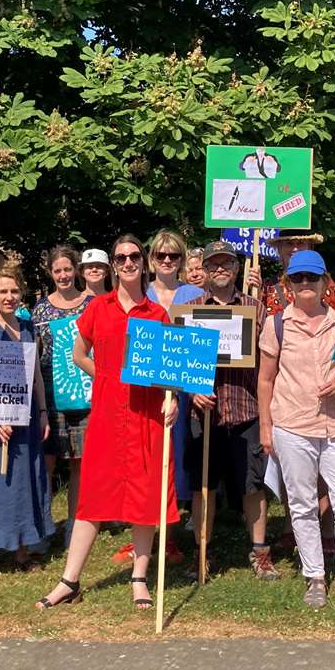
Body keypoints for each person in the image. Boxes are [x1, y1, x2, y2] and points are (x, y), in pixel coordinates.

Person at [36, 235, 180, 611]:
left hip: (146, 415)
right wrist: (104, 376)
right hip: (106, 415)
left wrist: (174, 399)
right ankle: (69, 580)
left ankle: (139, 578)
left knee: (145, 497)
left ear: (143, 263)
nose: (128, 262)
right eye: (121, 257)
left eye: (134, 256)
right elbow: (77, 352)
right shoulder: (98, 307)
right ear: (114, 265)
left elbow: (170, 371)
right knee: (93, 498)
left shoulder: (156, 314)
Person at [257, 250, 335, 609]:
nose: (306, 284)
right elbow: (265, 379)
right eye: (298, 278)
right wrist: (265, 426)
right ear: (289, 284)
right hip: (291, 425)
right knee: (302, 505)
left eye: (312, 278)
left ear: (324, 282)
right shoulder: (276, 324)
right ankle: (315, 577)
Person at [188, 241, 274, 580]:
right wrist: (192, 390)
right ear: (205, 270)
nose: (220, 268)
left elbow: (269, 360)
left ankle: (259, 553)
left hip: (246, 408)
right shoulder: (191, 309)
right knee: (203, 487)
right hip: (205, 412)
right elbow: (178, 362)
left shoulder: (255, 309)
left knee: (253, 486)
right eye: (214, 264)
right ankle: (202, 553)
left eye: (226, 262)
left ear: (237, 268)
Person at [0, 263, 54, 569]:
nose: (9, 296)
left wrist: (42, 411)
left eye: (14, 291)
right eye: (3, 291)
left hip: (26, 413)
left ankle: (21, 550)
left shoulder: (29, 328)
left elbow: (36, 377)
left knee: (22, 479)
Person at [144, 229, 204, 563]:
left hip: (186, 388)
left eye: (174, 256)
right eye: (160, 255)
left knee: (181, 463)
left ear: (181, 260)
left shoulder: (195, 292)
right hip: (148, 389)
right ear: (151, 259)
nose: (167, 261)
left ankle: (178, 535)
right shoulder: (142, 294)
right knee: (149, 461)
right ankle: (147, 534)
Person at [30, 244, 95, 545]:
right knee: (48, 461)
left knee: (80, 461)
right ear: (50, 273)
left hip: (87, 392)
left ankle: (74, 524)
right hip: (51, 394)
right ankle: (42, 526)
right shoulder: (40, 309)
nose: (63, 275)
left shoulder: (91, 303)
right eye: (58, 270)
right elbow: (34, 353)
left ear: (76, 270)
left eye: (68, 269)